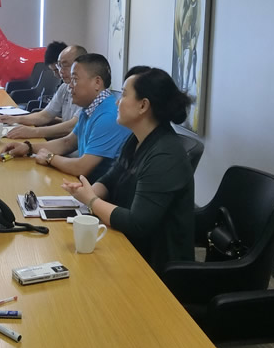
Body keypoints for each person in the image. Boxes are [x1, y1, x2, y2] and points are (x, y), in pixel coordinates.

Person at [62, 67, 195, 274]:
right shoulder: (136, 139)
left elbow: (137, 223)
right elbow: (112, 177)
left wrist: (91, 201)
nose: (117, 102)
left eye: (124, 95)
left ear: (143, 106)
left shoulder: (165, 155)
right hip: (126, 243)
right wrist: (88, 192)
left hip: (154, 266)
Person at [0, 53, 130, 182]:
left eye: (75, 79)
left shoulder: (108, 116)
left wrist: (50, 158)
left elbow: (81, 167)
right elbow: (67, 143)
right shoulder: (90, 107)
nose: (70, 85)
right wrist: (28, 147)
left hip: (98, 190)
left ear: (97, 82)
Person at [0, 44, 87, 141]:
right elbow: (45, 115)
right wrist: (16, 119)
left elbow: (72, 126)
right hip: (65, 142)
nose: (61, 71)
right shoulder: (64, 87)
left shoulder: (88, 93)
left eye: (65, 65)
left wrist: (33, 132)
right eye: (59, 66)